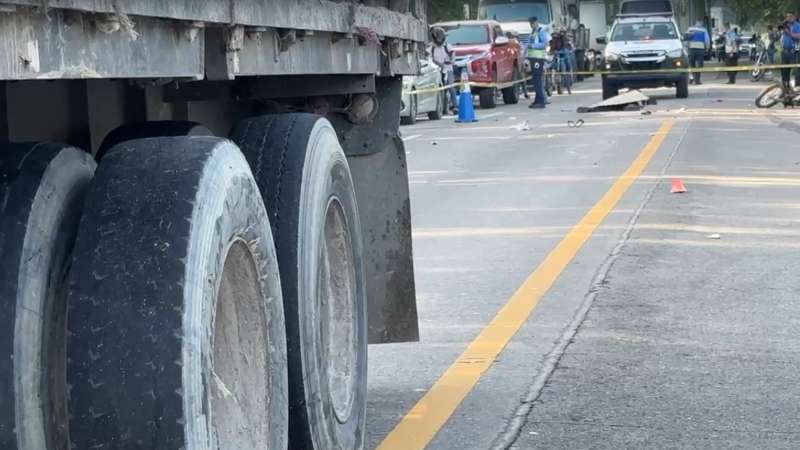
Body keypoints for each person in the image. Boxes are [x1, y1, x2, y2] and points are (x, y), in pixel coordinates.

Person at [429, 26, 458, 114]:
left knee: (451, 86)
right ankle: (441, 107)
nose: (439, 40)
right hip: (437, 71)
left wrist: (451, 61)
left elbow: (453, 55)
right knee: (440, 89)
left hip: (448, 69)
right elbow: (429, 58)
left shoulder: (447, 46)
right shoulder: (431, 48)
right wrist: (437, 64)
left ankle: (455, 106)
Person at [525, 16, 550, 109]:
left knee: (538, 81)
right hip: (533, 58)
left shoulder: (541, 31)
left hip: (538, 59)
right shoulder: (533, 32)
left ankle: (541, 102)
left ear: (536, 22)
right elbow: (528, 45)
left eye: (532, 23)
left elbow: (545, 44)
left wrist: (534, 46)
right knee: (535, 81)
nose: (531, 25)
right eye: (530, 23)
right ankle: (537, 101)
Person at [780, 13, 800, 90]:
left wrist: (789, 33)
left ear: (795, 17)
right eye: (787, 16)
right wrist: (783, 25)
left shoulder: (797, 25)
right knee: (784, 71)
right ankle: (785, 88)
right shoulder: (785, 26)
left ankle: (797, 89)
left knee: (797, 71)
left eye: (790, 16)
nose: (789, 18)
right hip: (784, 51)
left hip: (794, 51)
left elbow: (798, 36)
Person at [687, 20, 710, 85]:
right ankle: (697, 80)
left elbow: (686, 38)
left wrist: (686, 47)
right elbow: (707, 39)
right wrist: (707, 48)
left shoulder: (690, 29)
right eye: (701, 23)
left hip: (691, 49)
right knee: (700, 65)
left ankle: (692, 78)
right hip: (700, 49)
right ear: (701, 22)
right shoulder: (704, 30)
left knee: (692, 64)